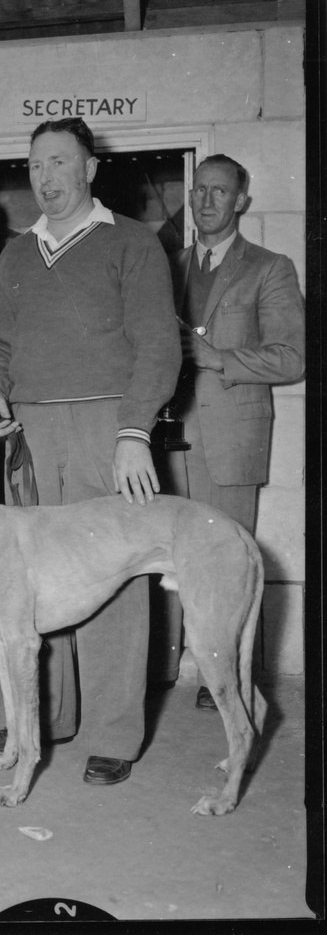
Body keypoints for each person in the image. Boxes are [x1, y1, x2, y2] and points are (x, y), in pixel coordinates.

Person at [0, 117, 182, 785]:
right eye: (35, 165)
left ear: (89, 168)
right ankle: (46, 718)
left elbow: (157, 343)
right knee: (30, 583)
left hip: (107, 427)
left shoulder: (132, 242)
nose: (45, 178)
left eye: (59, 162)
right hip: (29, 431)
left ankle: (113, 733)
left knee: (111, 576)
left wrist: (133, 432)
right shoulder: (14, 252)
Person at [152, 154, 305, 708]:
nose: (207, 200)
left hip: (230, 441)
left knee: (226, 566)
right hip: (165, 437)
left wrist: (219, 358)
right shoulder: (164, 264)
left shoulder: (270, 266)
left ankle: (225, 681)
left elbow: (293, 357)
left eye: (220, 192)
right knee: (162, 555)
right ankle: (160, 671)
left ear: (241, 200)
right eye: (199, 191)